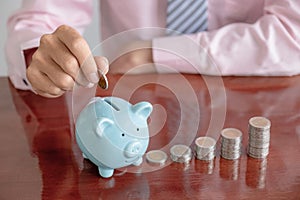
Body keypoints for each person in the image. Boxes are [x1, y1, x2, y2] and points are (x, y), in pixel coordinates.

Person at [5, 0, 300, 98]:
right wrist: (41, 57)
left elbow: (292, 36)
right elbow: (42, 19)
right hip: (129, 96)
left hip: (258, 97)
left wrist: (149, 54)